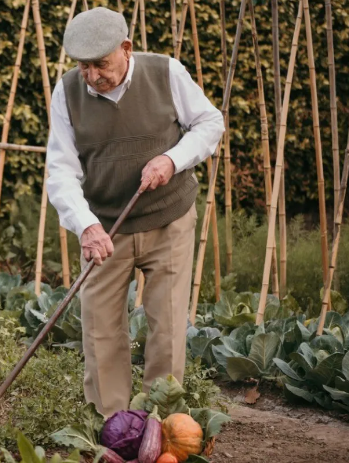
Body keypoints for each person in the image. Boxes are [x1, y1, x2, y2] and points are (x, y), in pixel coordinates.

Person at [45, 6, 225, 418]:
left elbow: (209, 123)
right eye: (83, 66)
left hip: (169, 218)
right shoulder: (68, 92)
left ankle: (158, 423)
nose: (91, 76)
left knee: (167, 328)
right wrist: (87, 226)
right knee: (101, 330)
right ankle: (112, 426)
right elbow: (61, 170)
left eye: (100, 64)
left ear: (126, 48)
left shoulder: (166, 72)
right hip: (106, 228)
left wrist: (172, 159)